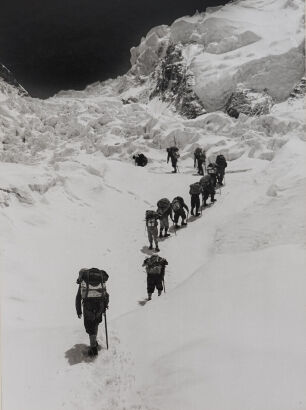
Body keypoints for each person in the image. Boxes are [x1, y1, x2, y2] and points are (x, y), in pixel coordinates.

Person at [75, 268, 109, 357]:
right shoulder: (100, 281)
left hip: (88, 306)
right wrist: (105, 306)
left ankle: (93, 349)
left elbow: (78, 298)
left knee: (89, 326)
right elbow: (106, 294)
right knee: (95, 323)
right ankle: (94, 342)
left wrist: (79, 311)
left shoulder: (84, 283)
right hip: (100, 306)